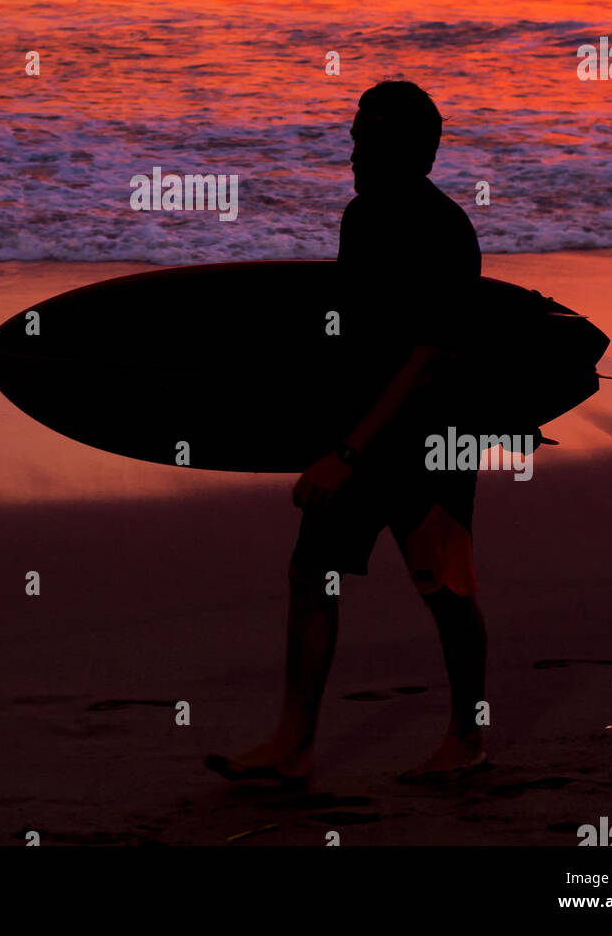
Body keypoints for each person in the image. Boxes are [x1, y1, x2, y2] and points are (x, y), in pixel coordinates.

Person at [206, 81, 487, 788]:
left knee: (443, 585)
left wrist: (348, 452)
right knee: (311, 572)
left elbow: (431, 360)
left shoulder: (444, 232)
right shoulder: (361, 217)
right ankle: (293, 743)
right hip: (361, 429)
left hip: (428, 438)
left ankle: (467, 738)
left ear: (411, 151)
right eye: (354, 134)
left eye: (368, 139)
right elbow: (354, 335)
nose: (352, 150)